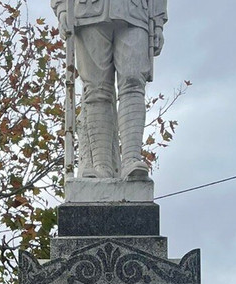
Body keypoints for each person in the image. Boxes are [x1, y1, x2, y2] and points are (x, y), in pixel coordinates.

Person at [54, 0, 167, 180]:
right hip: (87, 12)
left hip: (136, 12)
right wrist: (61, 9)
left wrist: (158, 21)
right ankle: (101, 167)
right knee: (96, 90)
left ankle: (131, 159)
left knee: (133, 83)